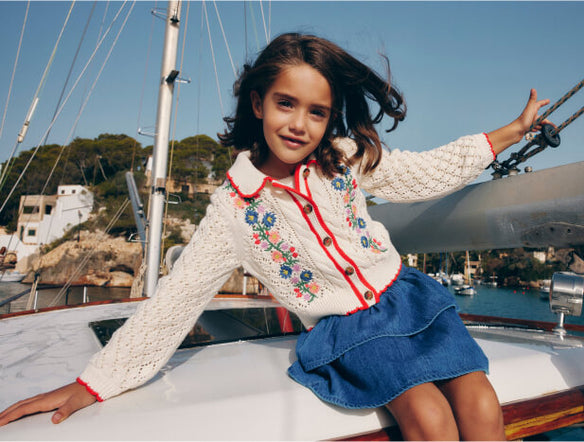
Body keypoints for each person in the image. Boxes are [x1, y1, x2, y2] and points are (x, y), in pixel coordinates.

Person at [0, 33, 553, 440]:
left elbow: (428, 171)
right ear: (259, 102)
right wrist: (93, 384)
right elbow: (175, 303)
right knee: (430, 418)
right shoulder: (234, 210)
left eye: (317, 112)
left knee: (481, 402)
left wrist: (509, 131)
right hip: (351, 331)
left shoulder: (343, 159)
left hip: (409, 300)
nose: (299, 125)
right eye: (286, 104)